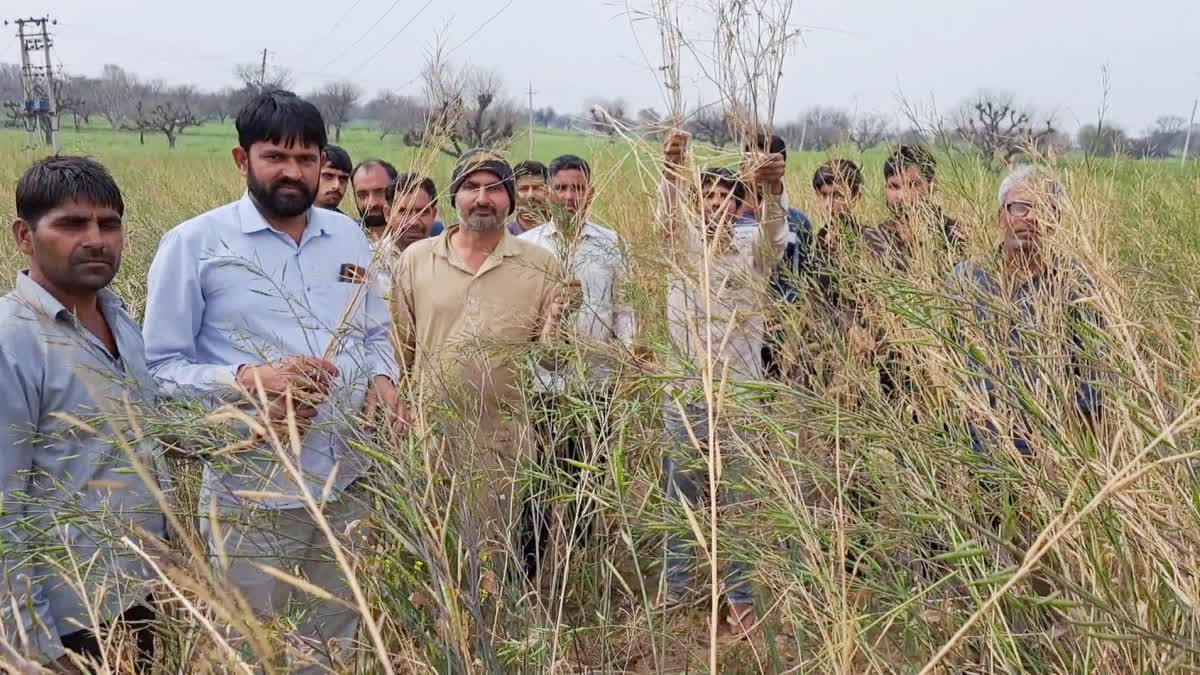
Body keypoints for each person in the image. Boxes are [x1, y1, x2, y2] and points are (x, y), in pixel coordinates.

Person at [142, 90, 400, 673]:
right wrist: (248, 378)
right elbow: (158, 370)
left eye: (306, 158)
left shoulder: (347, 237)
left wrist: (384, 378)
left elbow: (374, 329)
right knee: (251, 647)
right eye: (275, 157)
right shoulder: (195, 245)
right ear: (242, 160)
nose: (293, 171)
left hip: (347, 481)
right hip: (251, 493)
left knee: (334, 641)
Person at [0, 157, 167, 672]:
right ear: (25, 236)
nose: (96, 239)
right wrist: (33, 650)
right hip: (65, 621)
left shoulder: (120, 321)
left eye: (109, 224)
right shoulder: (13, 341)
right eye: (72, 224)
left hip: (137, 600)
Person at [390, 149, 562, 573]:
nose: (481, 198)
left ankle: (495, 631)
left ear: (510, 200)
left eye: (494, 188)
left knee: (495, 555)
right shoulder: (416, 260)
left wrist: (557, 320)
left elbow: (553, 362)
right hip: (432, 436)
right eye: (470, 187)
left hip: (503, 440)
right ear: (454, 197)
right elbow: (398, 351)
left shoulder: (541, 265)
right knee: (433, 551)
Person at [657, 129, 788, 638]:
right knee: (682, 495)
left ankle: (740, 598)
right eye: (706, 196)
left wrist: (774, 192)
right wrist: (671, 170)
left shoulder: (755, 248)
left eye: (726, 197)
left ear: (740, 205)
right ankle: (676, 588)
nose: (715, 205)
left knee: (736, 499)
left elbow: (777, 235)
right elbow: (667, 220)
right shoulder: (682, 247)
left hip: (739, 397)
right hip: (686, 395)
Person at [518, 154, 635, 577]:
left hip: (596, 381)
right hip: (543, 383)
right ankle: (528, 575)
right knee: (540, 480)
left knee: (589, 478)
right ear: (548, 191)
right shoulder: (530, 245)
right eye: (561, 188)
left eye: (578, 188)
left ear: (590, 192)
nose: (569, 197)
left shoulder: (609, 242)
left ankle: (582, 573)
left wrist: (626, 350)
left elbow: (623, 305)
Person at [948, 165, 1103, 456]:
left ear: (1056, 221)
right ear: (1001, 216)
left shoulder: (1076, 285)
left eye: (1043, 208)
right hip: (974, 446)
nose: (1030, 217)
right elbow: (945, 355)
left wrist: (1081, 457)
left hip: (1046, 449)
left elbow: (1091, 379)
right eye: (1019, 207)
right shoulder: (964, 279)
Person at [741, 133, 813, 379]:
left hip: (782, 331)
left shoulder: (797, 222)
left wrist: (785, 317)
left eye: (765, 164)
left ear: (780, 169)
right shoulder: (725, 220)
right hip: (739, 330)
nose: (757, 171)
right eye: (750, 161)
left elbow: (801, 279)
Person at [865, 144, 966, 273]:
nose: (902, 196)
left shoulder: (953, 233)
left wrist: (917, 246)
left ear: (932, 186)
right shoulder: (874, 238)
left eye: (913, 185)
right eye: (894, 186)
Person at [351, 158, 398, 238]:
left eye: (380, 192)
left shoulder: (417, 233)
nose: (371, 203)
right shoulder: (346, 234)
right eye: (362, 195)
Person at [508, 160, 551, 235]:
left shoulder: (564, 235)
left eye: (537, 188)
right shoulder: (503, 236)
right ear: (512, 194)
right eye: (523, 189)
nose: (530, 195)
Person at [315, 144, 352, 213]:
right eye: (328, 176)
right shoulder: (291, 220)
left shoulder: (347, 223)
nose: (337, 186)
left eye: (343, 179)